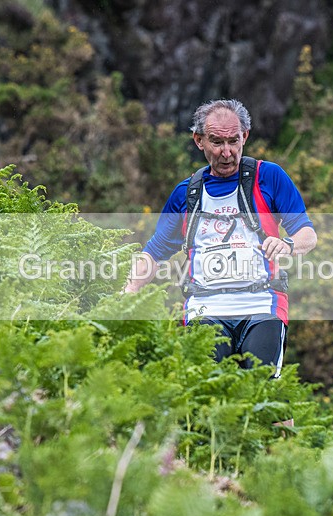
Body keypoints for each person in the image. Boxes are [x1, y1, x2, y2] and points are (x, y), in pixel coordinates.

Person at [124, 99, 317, 381]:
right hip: (205, 308)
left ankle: (281, 424)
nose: (227, 152)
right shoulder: (185, 194)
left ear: (245, 137)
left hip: (263, 304)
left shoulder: (270, 177)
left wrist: (287, 244)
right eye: (216, 142)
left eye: (233, 141)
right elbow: (153, 253)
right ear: (199, 140)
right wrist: (127, 293)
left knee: (263, 390)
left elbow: (307, 234)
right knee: (209, 391)